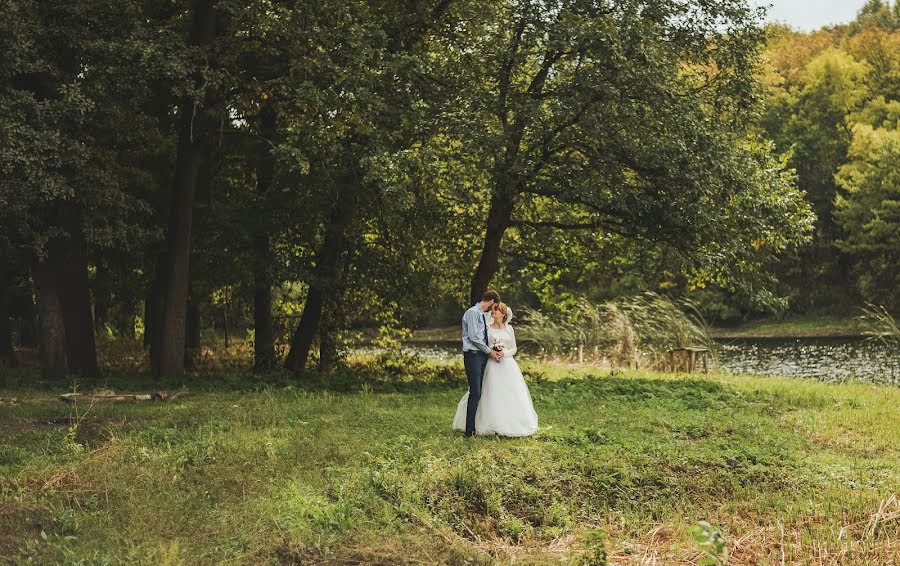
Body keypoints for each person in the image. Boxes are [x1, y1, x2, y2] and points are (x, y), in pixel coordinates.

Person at [453, 301, 538, 437]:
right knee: (490, 392)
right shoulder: (487, 328)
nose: (494, 312)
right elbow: (483, 344)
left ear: (503, 314)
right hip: (491, 364)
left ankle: (512, 422)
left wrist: (504, 353)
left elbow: (514, 348)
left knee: (510, 393)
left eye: (497, 310)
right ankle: (486, 423)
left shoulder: (509, 329)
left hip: (508, 364)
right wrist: (491, 353)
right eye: (493, 310)